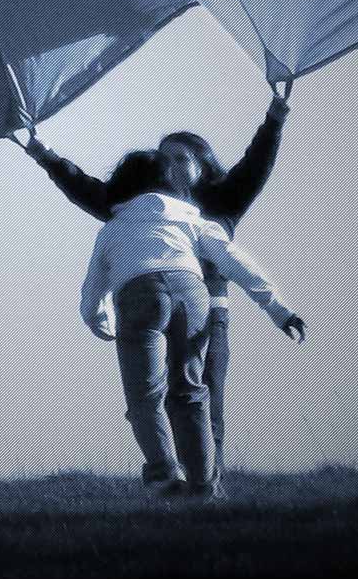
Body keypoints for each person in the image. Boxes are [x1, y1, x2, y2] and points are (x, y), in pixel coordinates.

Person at [27, 96, 290, 479]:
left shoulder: (221, 201)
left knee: (200, 392)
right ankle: (183, 479)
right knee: (159, 392)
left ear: (203, 166)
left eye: (180, 158)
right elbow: (83, 187)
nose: (170, 165)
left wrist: (274, 120)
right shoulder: (131, 208)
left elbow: (255, 164)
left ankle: (206, 483)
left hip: (208, 312)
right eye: (164, 158)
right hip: (161, 303)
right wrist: (44, 155)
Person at [78, 150, 306, 498]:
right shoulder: (189, 218)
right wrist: (278, 310)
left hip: (139, 294)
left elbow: (93, 287)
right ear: (170, 183)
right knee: (191, 390)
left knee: (144, 395)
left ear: (123, 185)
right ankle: (203, 487)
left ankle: (164, 471)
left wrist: (98, 319)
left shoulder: (113, 229)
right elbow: (233, 260)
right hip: (191, 292)